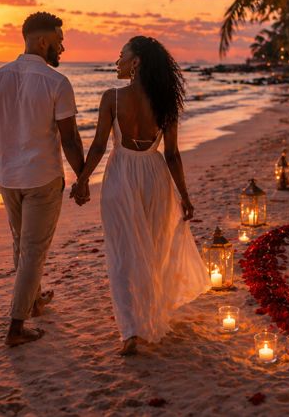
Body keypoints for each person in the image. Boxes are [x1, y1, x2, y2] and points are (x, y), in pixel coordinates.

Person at [71, 36, 209, 356]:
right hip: (155, 176)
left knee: (123, 254)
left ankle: (132, 331)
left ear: (136, 63)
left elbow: (99, 146)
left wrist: (82, 180)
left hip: (121, 176)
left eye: (122, 55)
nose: (116, 61)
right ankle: (150, 317)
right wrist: (184, 196)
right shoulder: (166, 103)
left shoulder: (112, 98)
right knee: (154, 249)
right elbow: (172, 154)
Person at [0, 11, 88, 347]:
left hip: (9, 178)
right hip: (42, 178)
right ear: (42, 41)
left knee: (22, 245)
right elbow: (70, 139)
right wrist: (82, 177)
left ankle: (35, 301)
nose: (62, 47)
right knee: (33, 251)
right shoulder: (57, 83)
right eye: (59, 41)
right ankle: (16, 326)